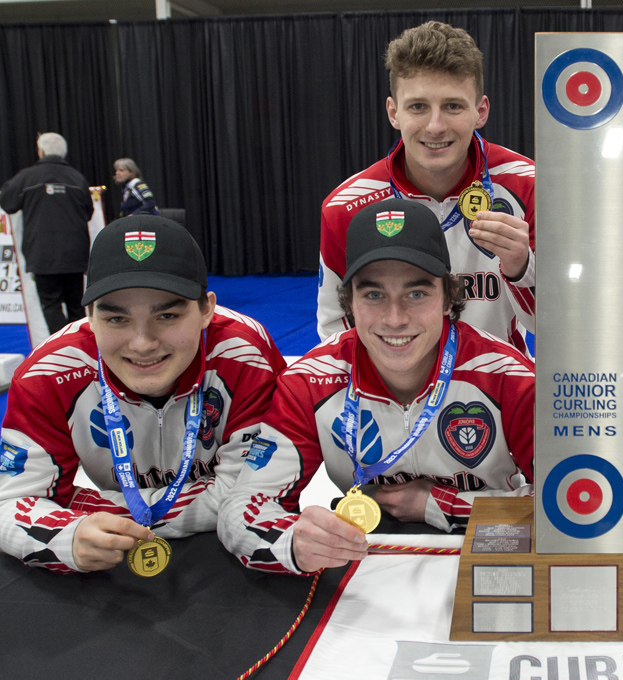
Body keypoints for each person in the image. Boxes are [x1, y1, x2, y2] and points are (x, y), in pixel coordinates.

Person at [220, 197, 535, 574]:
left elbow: (569, 506)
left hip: (489, 561)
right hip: (364, 568)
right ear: (349, 302)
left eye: (416, 294)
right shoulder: (310, 382)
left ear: (449, 298)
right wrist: (292, 543)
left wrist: (439, 505)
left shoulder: (506, 376)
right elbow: (242, 507)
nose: (395, 318)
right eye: (373, 295)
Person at [0, 215, 286, 572]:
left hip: (229, 546)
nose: (143, 344)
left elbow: (252, 492)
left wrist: (87, 509)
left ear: (206, 309)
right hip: (109, 558)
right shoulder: (51, 372)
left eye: (166, 316)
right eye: (116, 319)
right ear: (89, 316)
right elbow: (11, 501)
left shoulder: (244, 354)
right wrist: (66, 536)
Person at [317, 21, 535, 354]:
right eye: (418, 106)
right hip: (391, 393)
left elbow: (557, 326)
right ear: (393, 112)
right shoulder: (347, 207)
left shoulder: (528, 185)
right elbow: (338, 330)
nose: (435, 126)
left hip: (496, 385)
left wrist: (522, 269)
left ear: (481, 111)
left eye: (453, 106)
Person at [0, 132, 94, 334]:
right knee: (77, 306)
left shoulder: (26, 177)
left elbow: (7, 203)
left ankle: (61, 348)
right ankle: (81, 348)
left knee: (50, 304)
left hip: (42, 252)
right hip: (74, 253)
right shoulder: (77, 178)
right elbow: (88, 212)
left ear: (41, 151)